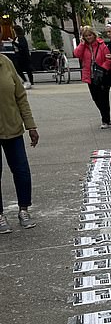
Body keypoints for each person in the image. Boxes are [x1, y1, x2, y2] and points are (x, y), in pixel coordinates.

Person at [0, 54, 39, 233]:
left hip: (13, 127)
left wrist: (30, 125)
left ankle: (23, 209)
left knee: (22, 170)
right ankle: (0, 215)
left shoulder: (5, 63)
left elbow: (20, 97)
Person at [73, 26, 111, 129]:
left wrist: (103, 69)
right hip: (90, 76)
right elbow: (76, 54)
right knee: (95, 98)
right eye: (86, 36)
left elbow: (108, 59)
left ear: (94, 35)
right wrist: (82, 44)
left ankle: (105, 119)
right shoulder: (84, 46)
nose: (88, 37)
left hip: (101, 76)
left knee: (104, 98)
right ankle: (106, 117)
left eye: (90, 35)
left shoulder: (101, 45)